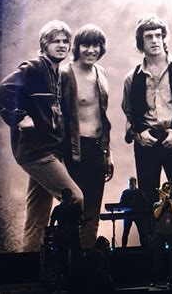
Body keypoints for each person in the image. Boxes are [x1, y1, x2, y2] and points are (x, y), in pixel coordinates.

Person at [0, 20, 83, 252]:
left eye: (65, 41)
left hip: (50, 151)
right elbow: (3, 90)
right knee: (74, 199)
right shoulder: (34, 67)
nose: (62, 45)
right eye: (56, 41)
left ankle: (29, 265)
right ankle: (69, 260)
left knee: (38, 215)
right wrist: (19, 117)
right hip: (36, 152)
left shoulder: (56, 73)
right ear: (44, 45)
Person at [122, 14, 172, 245]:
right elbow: (129, 114)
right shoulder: (132, 77)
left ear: (164, 38)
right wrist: (138, 135)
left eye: (159, 35)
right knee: (149, 199)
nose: (155, 40)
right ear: (141, 42)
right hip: (147, 141)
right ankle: (153, 256)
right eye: (149, 37)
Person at [62, 24, 114, 249]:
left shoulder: (100, 73)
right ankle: (70, 265)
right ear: (77, 47)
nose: (91, 50)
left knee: (93, 211)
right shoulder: (65, 73)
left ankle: (88, 264)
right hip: (73, 151)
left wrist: (108, 153)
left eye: (96, 45)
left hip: (97, 149)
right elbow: (58, 115)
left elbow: (102, 116)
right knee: (73, 210)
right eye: (86, 45)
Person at [50, 188, 85, 280]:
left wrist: (55, 233)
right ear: (71, 196)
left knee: (63, 257)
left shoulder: (57, 209)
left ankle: (66, 278)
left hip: (62, 236)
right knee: (76, 256)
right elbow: (82, 221)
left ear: (62, 196)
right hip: (73, 235)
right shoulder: (76, 208)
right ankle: (76, 277)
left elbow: (52, 224)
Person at [151, 182, 172, 289]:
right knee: (157, 257)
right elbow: (156, 215)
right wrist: (163, 204)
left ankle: (171, 279)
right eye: (162, 193)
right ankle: (155, 280)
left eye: (166, 192)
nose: (164, 194)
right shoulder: (156, 204)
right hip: (160, 233)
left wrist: (170, 202)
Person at [119, 176, 150, 247]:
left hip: (137, 214)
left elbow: (146, 202)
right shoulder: (125, 192)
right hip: (128, 214)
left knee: (141, 232)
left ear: (135, 183)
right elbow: (121, 203)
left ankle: (144, 247)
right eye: (130, 182)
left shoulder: (139, 192)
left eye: (132, 182)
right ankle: (123, 248)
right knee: (126, 232)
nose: (130, 184)